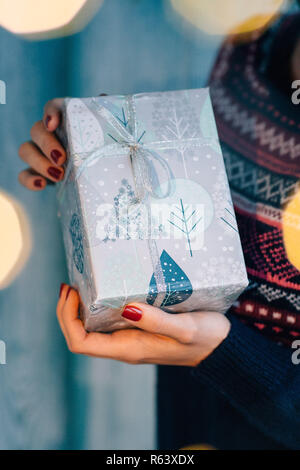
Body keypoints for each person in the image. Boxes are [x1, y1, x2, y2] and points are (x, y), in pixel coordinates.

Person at [18, 13, 300, 449]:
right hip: (185, 425)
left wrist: (224, 353)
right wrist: (98, 130)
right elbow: (192, 170)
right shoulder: (256, 40)